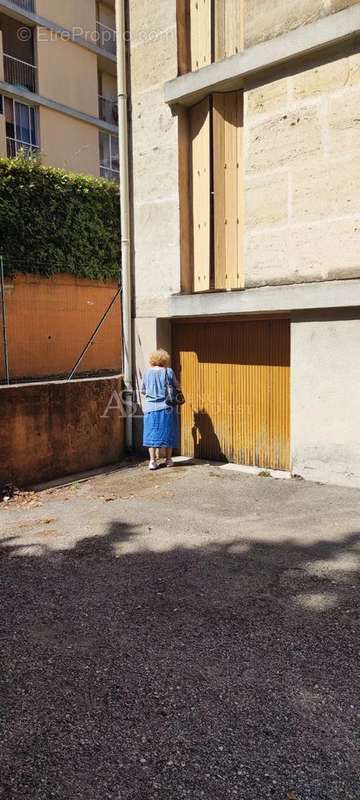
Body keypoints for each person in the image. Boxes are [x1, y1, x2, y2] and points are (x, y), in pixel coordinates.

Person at [141, 349, 180, 470]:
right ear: (165, 360)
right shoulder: (168, 371)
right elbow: (176, 386)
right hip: (167, 408)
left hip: (150, 409)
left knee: (151, 433)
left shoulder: (147, 373)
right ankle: (168, 460)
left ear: (152, 360)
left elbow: (143, 390)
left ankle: (152, 461)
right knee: (169, 432)